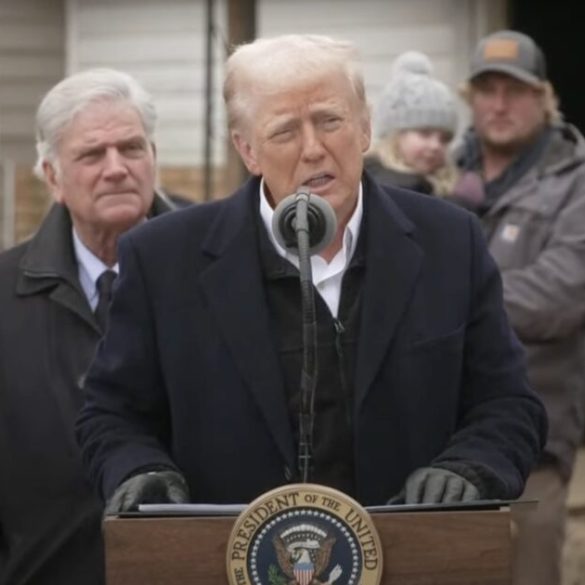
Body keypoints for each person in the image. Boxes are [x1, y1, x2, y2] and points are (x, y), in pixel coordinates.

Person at [76, 34, 546, 515]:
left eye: (330, 121)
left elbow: (508, 404)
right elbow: (112, 414)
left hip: (413, 548)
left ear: (365, 127)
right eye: (284, 132)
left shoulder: (451, 242)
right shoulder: (162, 260)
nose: (314, 149)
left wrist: (469, 468)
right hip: (227, 552)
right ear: (248, 150)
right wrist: (139, 470)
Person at [0, 68, 175, 585]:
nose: (116, 168)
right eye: (92, 154)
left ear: (153, 157)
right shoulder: (5, 294)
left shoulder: (221, 275)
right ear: (52, 177)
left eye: (131, 148)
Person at [453, 29, 585, 585]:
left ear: (544, 97)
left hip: (536, 435)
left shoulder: (574, 183)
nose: (500, 104)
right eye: (487, 90)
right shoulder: (440, 175)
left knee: (529, 566)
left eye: (516, 90)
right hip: (443, 435)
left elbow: (561, 294)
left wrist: (452, 301)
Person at [365, 50, 460, 196]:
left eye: (444, 139)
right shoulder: (384, 192)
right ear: (395, 135)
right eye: (425, 133)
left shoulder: (447, 191)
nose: (436, 146)